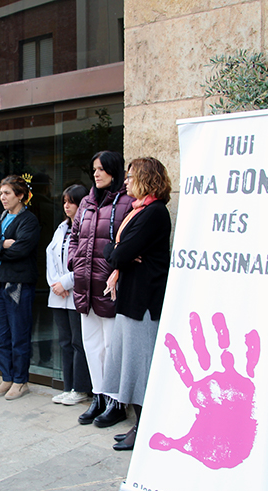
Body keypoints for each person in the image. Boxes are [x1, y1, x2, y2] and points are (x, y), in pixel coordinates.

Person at [102, 157, 172, 450]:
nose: (126, 181)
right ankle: (139, 426)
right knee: (129, 366)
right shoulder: (137, 212)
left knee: (140, 370)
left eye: (131, 177)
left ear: (146, 178)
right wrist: (120, 250)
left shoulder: (155, 213)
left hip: (144, 302)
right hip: (130, 299)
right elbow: (114, 249)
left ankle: (145, 430)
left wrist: (120, 251)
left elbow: (117, 254)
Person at [68, 151, 132, 427]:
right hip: (84, 284)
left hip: (109, 286)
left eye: (102, 169)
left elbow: (127, 243)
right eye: (94, 169)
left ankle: (116, 400)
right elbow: (74, 236)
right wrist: (74, 261)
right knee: (92, 345)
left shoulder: (127, 203)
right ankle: (99, 396)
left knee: (111, 346)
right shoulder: (86, 202)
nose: (96, 174)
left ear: (114, 171)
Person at [0, 176, 41, 400]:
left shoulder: (29, 221)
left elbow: (21, 250)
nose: (2, 197)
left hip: (18, 286)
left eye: (7, 193)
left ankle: (20, 381)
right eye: (1, 193)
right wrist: (2, 244)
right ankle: (7, 377)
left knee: (19, 335)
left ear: (20, 195)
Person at [46, 184, 93, 406]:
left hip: (76, 293)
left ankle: (81, 388)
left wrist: (66, 282)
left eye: (71, 201)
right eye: (64, 201)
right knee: (64, 341)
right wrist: (56, 283)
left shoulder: (87, 228)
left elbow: (86, 262)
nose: (66, 205)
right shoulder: (61, 228)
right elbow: (50, 255)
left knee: (78, 342)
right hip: (58, 294)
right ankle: (68, 386)